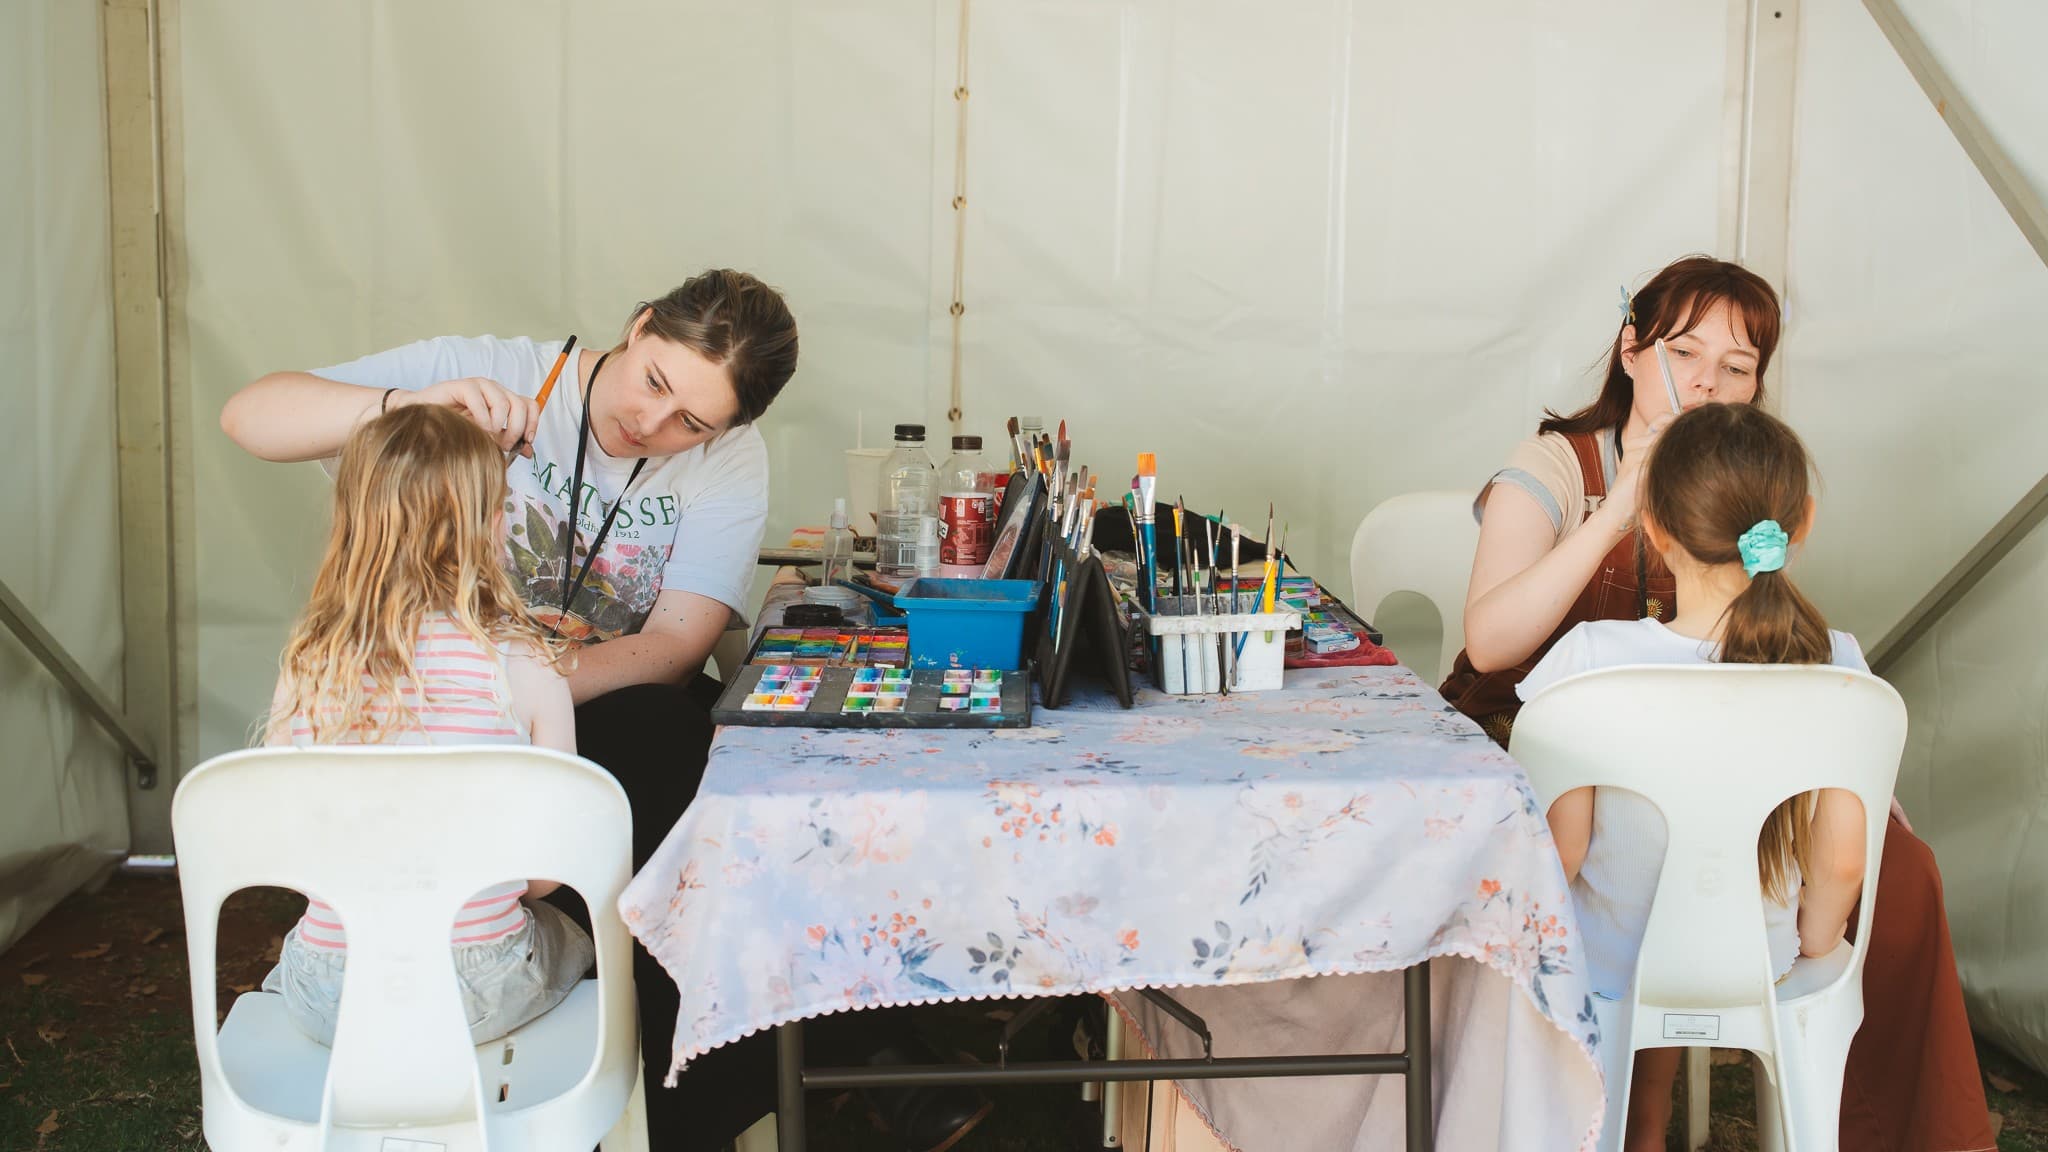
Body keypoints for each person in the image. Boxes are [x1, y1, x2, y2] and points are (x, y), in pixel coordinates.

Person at [1444, 254, 1993, 1149]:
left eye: (1736, 368)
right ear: (1631, 348)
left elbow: (1766, 646)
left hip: (1720, 751)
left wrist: (1845, 762)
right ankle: (1583, 1101)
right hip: (1542, 740)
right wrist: (1626, 501)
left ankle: (1901, 1126)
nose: (1707, 382)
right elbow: (1494, 645)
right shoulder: (1557, 462)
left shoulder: (1741, 478)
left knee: (1908, 872)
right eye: (1685, 352)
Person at [1518, 403, 1869, 1149]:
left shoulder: (1590, 660)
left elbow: (1566, 854)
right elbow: (1841, 860)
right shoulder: (1837, 664)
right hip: (1763, 961)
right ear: (1799, 523)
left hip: (1613, 965)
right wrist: (1810, 939)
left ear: (1652, 528)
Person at [258, 404, 592, 1047]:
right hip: (479, 985)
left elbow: (290, 848)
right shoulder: (522, 661)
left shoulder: (309, 660)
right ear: (491, 528)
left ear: (352, 522)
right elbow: (550, 868)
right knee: (568, 936)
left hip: (332, 986)